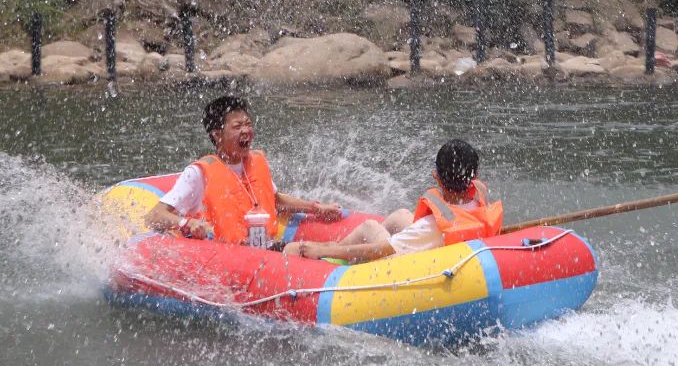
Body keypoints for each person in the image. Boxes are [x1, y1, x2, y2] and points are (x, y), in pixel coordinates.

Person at [144, 95, 344, 245]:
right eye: (237, 126)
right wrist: (186, 223)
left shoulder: (254, 162)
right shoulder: (198, 173)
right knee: (303, 251)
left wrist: (316, 208)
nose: (246, 130)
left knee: (303, 248)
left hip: (263, 248)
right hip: (226, 255)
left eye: (248, 124)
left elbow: (276, 201)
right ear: (217, 135)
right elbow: (154, 216)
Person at [283, 139, 503, 264]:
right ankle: (333, 249)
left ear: (437, 177)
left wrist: (325, 252)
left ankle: (330, 254)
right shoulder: (480, 199)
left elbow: (379, 250)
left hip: (409, 267)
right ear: (474, 177)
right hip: (444, 252)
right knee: (400, 215)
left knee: (370, 227)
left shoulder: (432, 226)